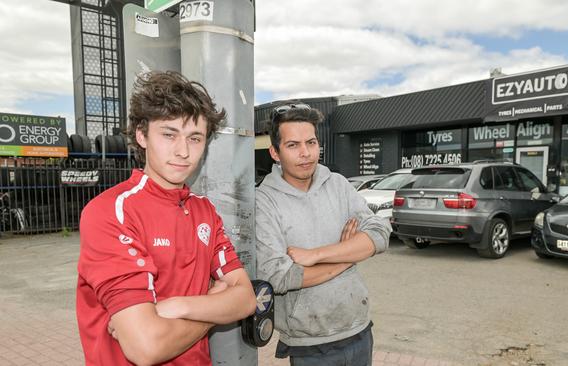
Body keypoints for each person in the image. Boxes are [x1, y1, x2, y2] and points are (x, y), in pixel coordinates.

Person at [76, 71, 257, 366]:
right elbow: (146, 347)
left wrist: (176, 306)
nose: (183, 151)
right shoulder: (111, 211)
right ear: (141, 135)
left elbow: (246, 299)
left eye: (195, 138)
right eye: (169, 134)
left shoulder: (205, 211)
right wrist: (213, 307)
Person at [256, 102, 391, 365]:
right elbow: (279, 276)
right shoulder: (264, 201)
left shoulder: (338, 185)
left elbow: (380, 233)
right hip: (309, 344)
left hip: (359, 329)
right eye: (293, 145)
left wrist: (315, 255)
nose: (305, 153)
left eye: (311, 142)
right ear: (274, 151)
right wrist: (348, 256)